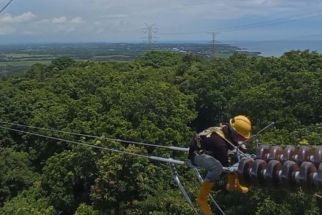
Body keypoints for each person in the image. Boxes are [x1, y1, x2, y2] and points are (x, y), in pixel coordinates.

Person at [188, 115, 252, 215]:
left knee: (241, 156)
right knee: (217, 167)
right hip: (197, 155)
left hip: (212, 151)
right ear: (234, 132)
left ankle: (232, 185)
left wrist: (242, 151)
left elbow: (232, 143)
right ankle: (202, 199)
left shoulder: (226, 129)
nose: (241, 139)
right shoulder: (219, 143)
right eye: (240, 137)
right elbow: (225, 165)